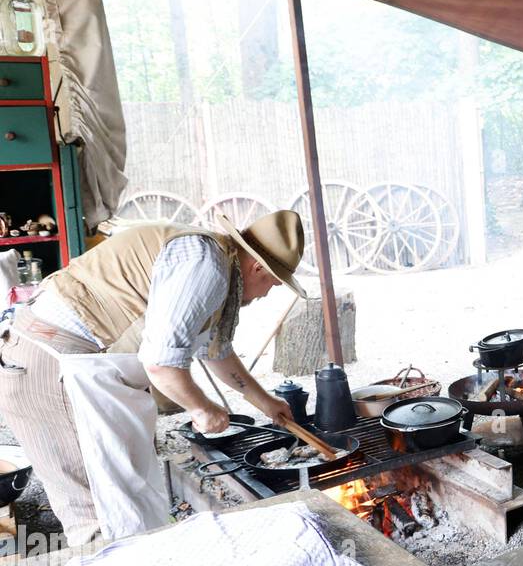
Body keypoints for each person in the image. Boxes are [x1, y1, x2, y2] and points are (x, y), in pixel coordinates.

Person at [0, 210, 308, 545]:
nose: (266, 294)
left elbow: (214, 351)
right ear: (258, 267)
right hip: (44, 364)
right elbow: (160, 363)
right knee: (98, 507)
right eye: (272, 284)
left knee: (121, 493)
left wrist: (265, 402)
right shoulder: (207, 265)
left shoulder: (216, 260)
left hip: (61, 359)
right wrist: (201, 408)